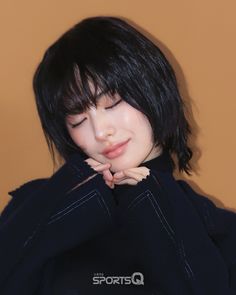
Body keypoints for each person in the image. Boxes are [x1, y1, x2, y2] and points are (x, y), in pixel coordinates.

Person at [0, 16, 235, 295]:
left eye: (112, 102)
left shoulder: (218, 228)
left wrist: (155, 199)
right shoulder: (35, 208)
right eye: (78, 120)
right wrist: (66, 198)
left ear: (152, 86)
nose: (101, 131)